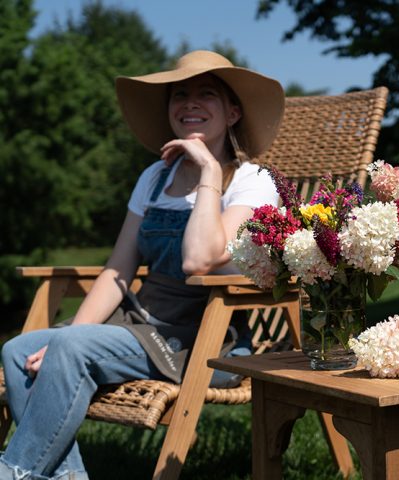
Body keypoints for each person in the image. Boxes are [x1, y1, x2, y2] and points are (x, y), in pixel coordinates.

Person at [0, 50, 285, 480]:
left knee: (68, 348)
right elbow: (118, 270)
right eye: (179, 94)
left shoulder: (253, 182)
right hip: (141, 326)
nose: (189, 102)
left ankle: (14, 471)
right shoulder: (155, 178)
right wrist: (71, 336)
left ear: (232, 112)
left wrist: (208, 168)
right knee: (17, 349)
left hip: (203, 340)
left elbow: (199, 258)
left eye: (205, 93)